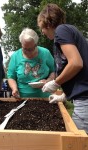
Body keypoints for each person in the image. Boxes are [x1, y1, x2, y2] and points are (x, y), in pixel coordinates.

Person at [37, 3, 88, 133]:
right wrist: (64, 95)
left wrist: (55, 83)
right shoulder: (69, 32)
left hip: (85, 101)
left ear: (46, 23)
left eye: (41, 28)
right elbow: (81, 74)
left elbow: (76, 63)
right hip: (83, 98)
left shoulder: (61, 31)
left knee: (78, 142)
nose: (42, 32)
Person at [7, 28, 55, 98]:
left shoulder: (45, 53)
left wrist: (48, 80)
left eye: (30, 49)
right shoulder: (15, 56)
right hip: (22, 98)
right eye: (24, 48)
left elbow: (54, 71)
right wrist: (14, 89)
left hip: (45, 97)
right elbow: (11, 77)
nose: (27, 51)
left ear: (36, 44)